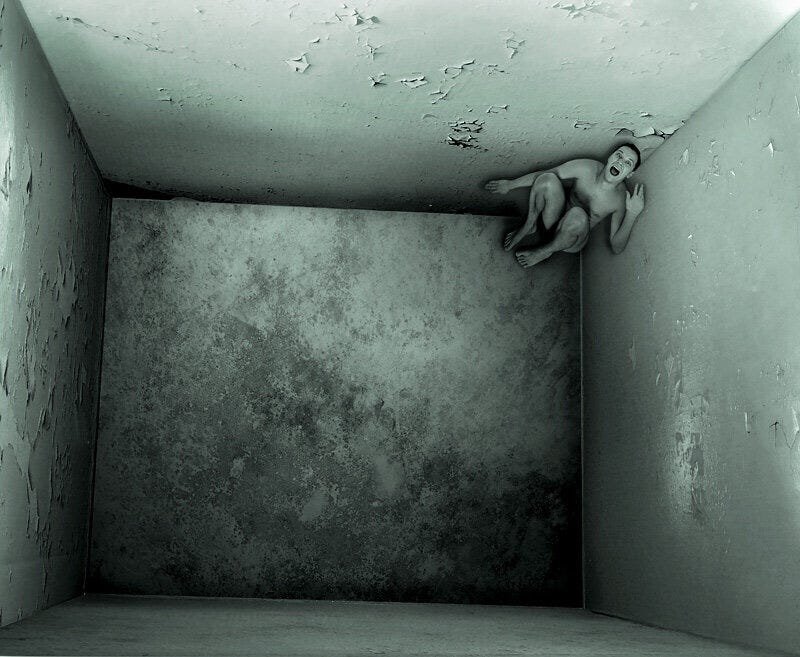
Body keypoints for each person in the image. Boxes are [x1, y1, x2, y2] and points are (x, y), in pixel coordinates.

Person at [485, 144, 645, 268]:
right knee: (547, 179)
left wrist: (632, 214)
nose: (620, 162)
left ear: (629, 174)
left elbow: (616, 247)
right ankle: (530, 224)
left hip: (572, 240)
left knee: (578, 214)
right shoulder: (587, 168)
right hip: (553, 220)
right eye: (619, 155)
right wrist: (510, 185)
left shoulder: (619, 200)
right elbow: (545, 174)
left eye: (628, 163)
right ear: (610, 157)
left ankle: (545, 252)